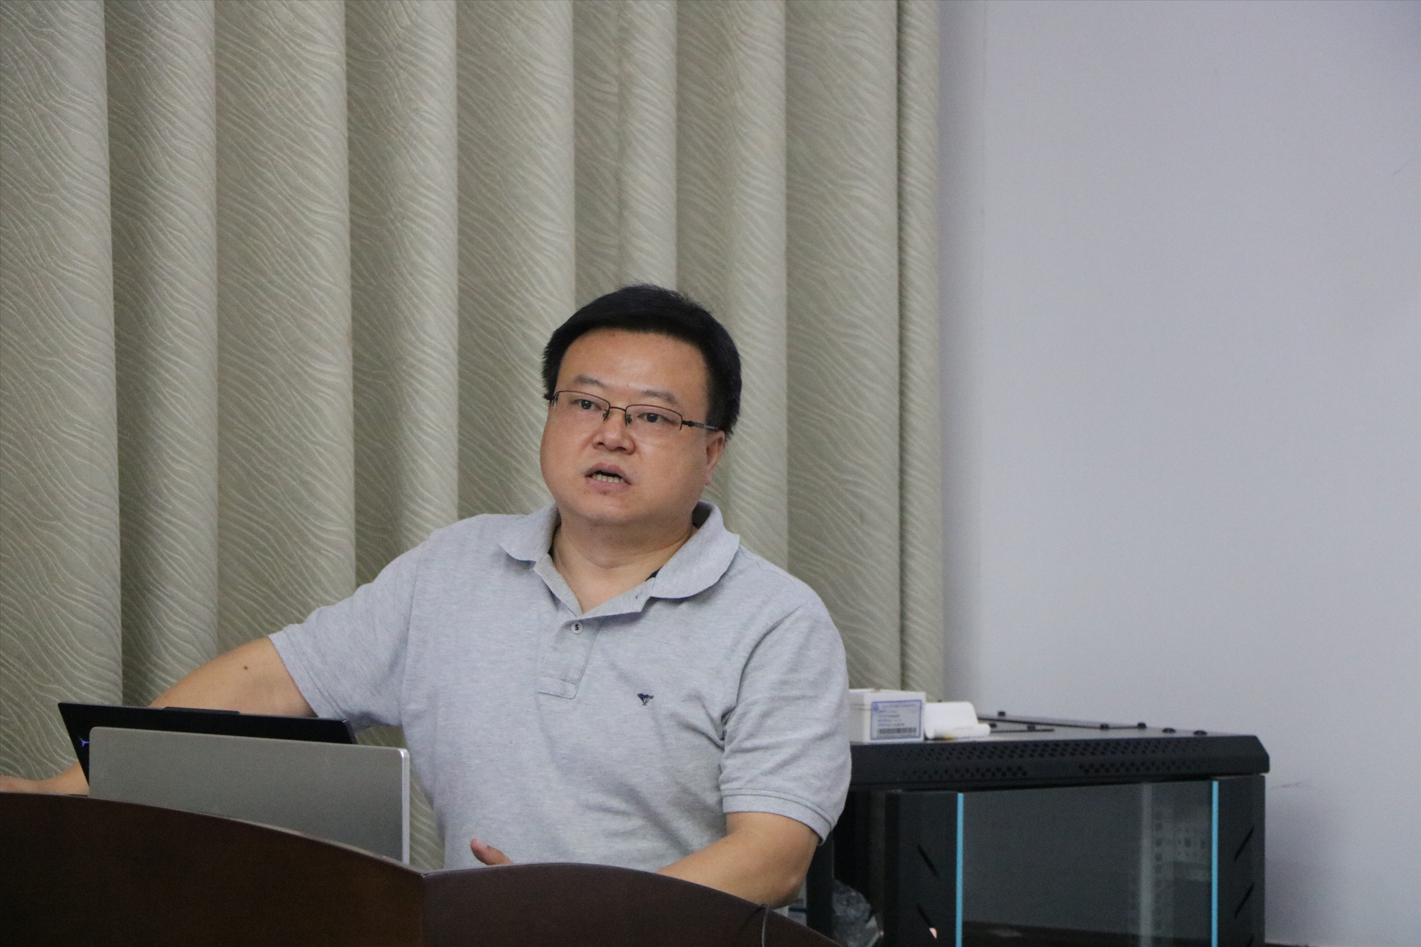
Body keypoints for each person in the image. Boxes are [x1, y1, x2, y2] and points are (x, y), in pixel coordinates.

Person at [0, 285, 850, 907]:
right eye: (585, 402)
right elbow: (274, 679)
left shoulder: (773, 618)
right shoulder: (457, 565)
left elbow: (771, 855)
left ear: (712, 450)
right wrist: (64, 791)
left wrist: (579, 919)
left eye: (652, 416)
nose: (610, 433)